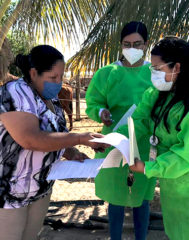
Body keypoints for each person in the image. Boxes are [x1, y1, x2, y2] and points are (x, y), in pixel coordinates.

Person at [123, 37, 189, 240]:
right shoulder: (161, 93)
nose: (153, 74)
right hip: (173, 184)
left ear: (177, 67)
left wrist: (147, 167)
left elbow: (187, 156)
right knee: (177, 233)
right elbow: (139, 121)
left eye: (157, 68)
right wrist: (114, 139)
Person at [0, 45, 108, 240]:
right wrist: (80, 138)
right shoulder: (15, 93)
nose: (58, 83)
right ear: (33, 73)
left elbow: (55, 134)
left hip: (40, 187)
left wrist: (71, 151)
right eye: (52, 78)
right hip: (10, 192)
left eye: (61, 77)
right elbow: (31, 139)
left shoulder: (50, 97)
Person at [86, 21, 156, 240]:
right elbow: (93, 103)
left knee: (142, 198)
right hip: (114, 141)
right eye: (127, 44)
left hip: (145, 144)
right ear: (120, 44)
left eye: (137, 43)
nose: (132, 48)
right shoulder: (107, 73)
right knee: (116, 196)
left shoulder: (154, 73)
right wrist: (101, 112)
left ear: (146, 44)